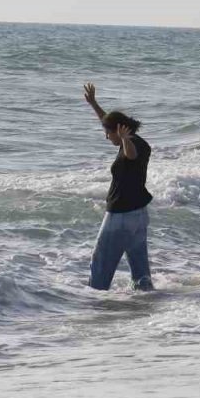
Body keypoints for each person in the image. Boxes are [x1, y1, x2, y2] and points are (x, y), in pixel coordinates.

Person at [82, 83, 155, 291]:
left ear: (120, 131)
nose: (106, 136)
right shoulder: (139, 141)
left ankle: (92, 305)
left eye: (108, 133)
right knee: (140, 270)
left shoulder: (130, 146)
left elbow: (130, 155)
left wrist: (124, 140)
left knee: (100, 264)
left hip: (120, 217)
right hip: (139, 216)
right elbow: (110, 125)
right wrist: (94, 104)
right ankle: (146, 302)